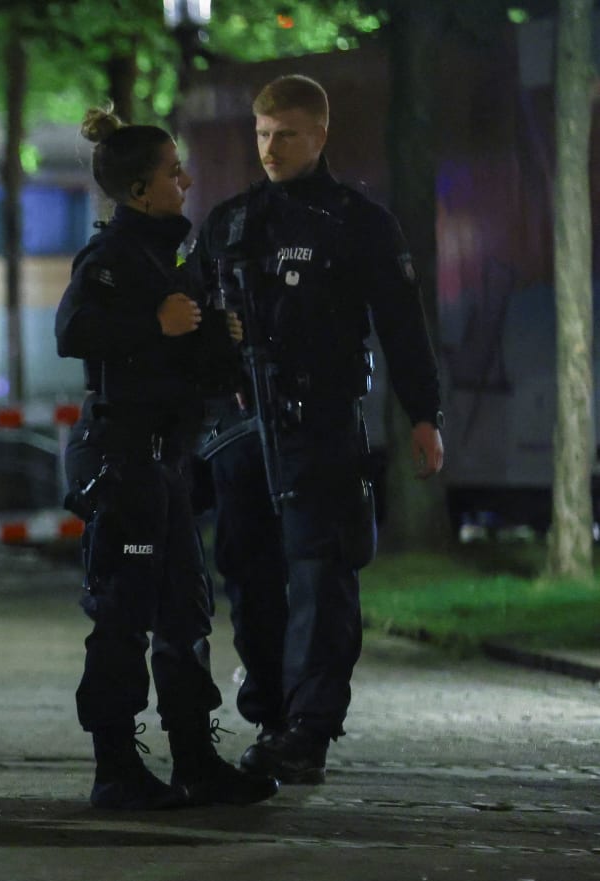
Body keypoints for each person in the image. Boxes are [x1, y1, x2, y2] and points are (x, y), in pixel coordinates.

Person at [188, 75, 444, 784]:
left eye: (286, 135)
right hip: (241, 429)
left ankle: (309, 727)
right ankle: (271, 712)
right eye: (263, 134)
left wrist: (425, 414)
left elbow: (402, 324)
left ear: (320, 135)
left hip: (323, 423)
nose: (270, 148)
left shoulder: (356, 223)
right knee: (250, 574)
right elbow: (192, 326)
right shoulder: (230, 223)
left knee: (321, 575)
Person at [55, 107, 276, 810]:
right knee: (123, 612)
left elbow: (187, 357)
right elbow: (75, 330)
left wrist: (219, 335)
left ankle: (193, 760)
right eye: (172, 170)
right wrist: (154, 322)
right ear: (140, 190)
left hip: (169, 462)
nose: (185, 178)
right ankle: (115, 768)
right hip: (126, 460)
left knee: (184, 610)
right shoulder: (112, 256)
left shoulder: (177, 252)